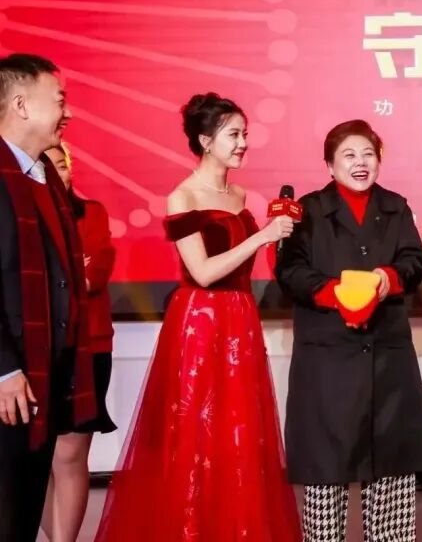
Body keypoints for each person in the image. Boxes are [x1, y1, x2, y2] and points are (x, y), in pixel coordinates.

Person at [93, 92, 301, 541]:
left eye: (245, 133)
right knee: (197, 432)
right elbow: (203, 272)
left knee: (240, 431)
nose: (243, 143)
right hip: (202, 322)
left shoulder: (238, 194)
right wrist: (260, 237)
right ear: (205, 141)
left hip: (240, 317)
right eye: (233, 134)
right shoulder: (182, 196)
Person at [276, 119, 422, 542]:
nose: (360, 163)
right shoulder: (307, 210)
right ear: (329, 165)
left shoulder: (396, 206)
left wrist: (387, 279)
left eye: (368, 154)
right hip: (328, 361)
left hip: (387, 360)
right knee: (326, 474)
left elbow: (415, 261)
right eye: (348, 155)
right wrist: (336, 294)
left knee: (391, 471)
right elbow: (289, 271)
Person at [0, 53, 98, 542]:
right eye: (59, 101)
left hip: (42, 381)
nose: (69, 112)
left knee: (21, 516)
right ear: (20, 105)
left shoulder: (43, 175)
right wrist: (3, 369)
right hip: (8, 381)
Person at [40, 144, 117, 542]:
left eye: (63, 165)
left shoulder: (93, 214)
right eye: (48, 165)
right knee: (36, 459)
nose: (59, 173)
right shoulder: (20, 217)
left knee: (69, 455)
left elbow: (93, 275)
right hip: (36, 351)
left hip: (88, 347)